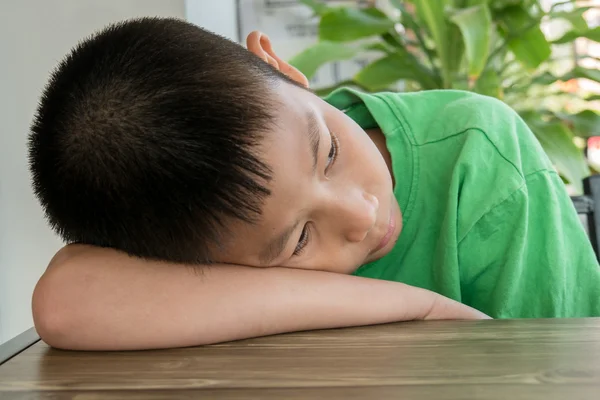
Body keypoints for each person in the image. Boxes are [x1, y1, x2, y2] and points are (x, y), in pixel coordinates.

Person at [28, 17, 599, 351]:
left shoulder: (476, 153)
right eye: (298, 241)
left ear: (280, 70)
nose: (363, 214)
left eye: (328, 152)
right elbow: (64, 302)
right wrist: (416, 306)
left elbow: (558, 369)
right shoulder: (201, 226)